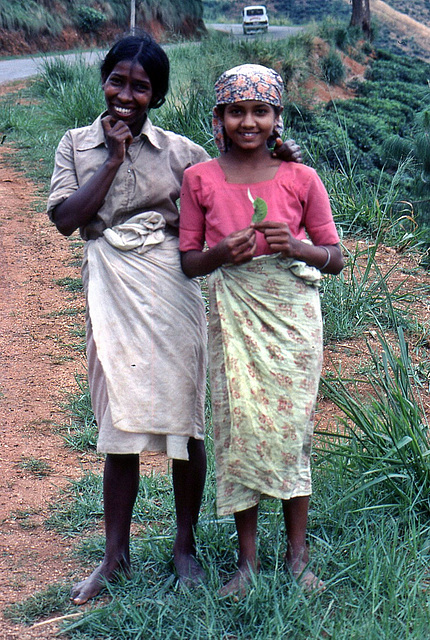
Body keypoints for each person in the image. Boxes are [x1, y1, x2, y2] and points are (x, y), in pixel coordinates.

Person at [47, 34, 302, 605]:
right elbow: (67, 218)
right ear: (104, 80)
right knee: (119, 420)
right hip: (111, 280)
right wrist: (113, 159)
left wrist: (284, 159)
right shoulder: (75, 145)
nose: (126, 95)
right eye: (118, 80)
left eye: (141, 87)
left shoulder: (180, 152)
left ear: (156, 95)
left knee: (187, 419)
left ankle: (184, 547)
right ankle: (114, 557)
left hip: (172, 282)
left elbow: (235, 173)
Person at [179, 63, 344, 597]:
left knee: (292, 433)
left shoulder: (301, 178)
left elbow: (335, 257)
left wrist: (294, 247)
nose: (247, 122)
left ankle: (298, 559)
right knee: (239, 432)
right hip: (235, 319)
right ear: (219, 116)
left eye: (259, 111)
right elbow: (188, 262)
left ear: (277, 118)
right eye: (236, 111)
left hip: (293, 321)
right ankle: (246, 563)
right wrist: (222, 252)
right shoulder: (199, 179)